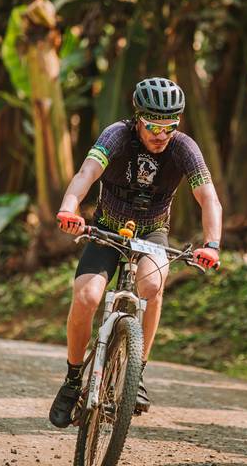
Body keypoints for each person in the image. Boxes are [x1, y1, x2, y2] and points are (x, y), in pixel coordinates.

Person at [49, 77, 222, 428]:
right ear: (137, 119)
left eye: (170, 126)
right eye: (153, 126)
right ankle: (72, 379)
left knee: (152, 286)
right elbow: (86, 174)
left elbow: (208, 197)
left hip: (152, 233)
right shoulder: (116, 135)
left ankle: (136, 373)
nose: (162, 135)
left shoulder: (184, 148)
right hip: (107, 229)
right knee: (86, 297)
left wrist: (212, 244)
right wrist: (69, 209)